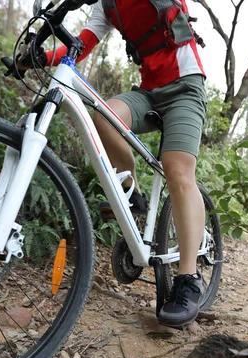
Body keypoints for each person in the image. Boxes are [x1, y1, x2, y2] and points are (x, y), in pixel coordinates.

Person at [20, 0, 208, 327]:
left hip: (186, 88)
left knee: (177, 171)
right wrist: (38, 58)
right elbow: (83, 43)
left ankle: (189, 278)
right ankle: (130, 192)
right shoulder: (107, 6)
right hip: (149, 92)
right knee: (103, 116)